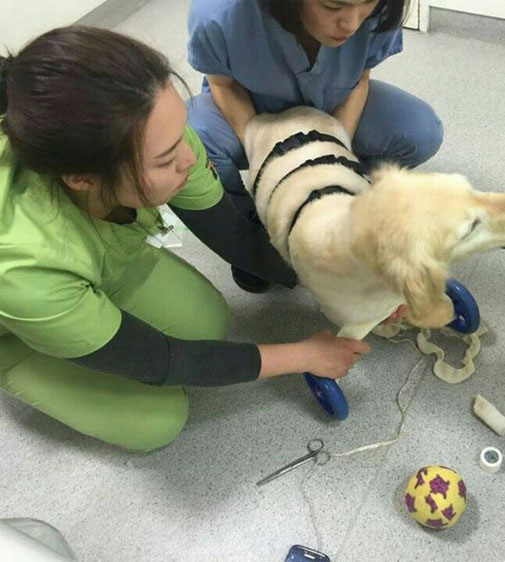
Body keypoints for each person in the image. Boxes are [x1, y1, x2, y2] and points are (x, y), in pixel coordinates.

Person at [0, 26, 369, 453]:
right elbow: (162, 360)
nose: (191, 158)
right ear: (81, 178)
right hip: (15, 321)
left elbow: (234, 237)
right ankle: (32, 352)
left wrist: (352, 281)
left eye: (180, 137)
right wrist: (304, 355)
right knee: (159, 422)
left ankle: (86, 314)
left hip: (91, 259)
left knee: (209, 321)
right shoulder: (24, 267)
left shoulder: (152, 129)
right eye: (165, 158)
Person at [187, 0, 444, 292]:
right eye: (333, 6)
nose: (352, 24)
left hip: (330, 101)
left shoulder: (382, 9)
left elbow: (360, 81)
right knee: (192, 140)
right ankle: (256, 233)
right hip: (254, 109)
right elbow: (224, 86)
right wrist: (270, 162)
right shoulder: (218, 13)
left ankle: (350, 199)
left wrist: (334, 161)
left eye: (366, 5)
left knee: (422, 131)